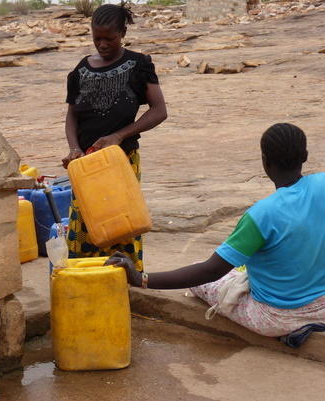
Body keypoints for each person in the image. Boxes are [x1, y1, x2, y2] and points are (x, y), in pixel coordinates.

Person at [107, 123, 325, 337]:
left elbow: (210, 271)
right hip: (321, 306)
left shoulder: (261, 215)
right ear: (304, 156)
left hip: (276, 317)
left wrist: (141, 279)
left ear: (265, 163)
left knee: (205, 278)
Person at [62, 2, 167, 271]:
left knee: (123, 224)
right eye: (97, 38)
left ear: (122, 33)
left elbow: (159, 111)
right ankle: (86, 278)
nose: (102, 44)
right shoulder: (81, 70)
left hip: (122, 161)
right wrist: (74, 149)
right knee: (84, 225)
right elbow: (72, 116)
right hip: (85, 165)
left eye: (109, 38)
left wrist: (119, 135)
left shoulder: (138, 65)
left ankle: (127, 283)